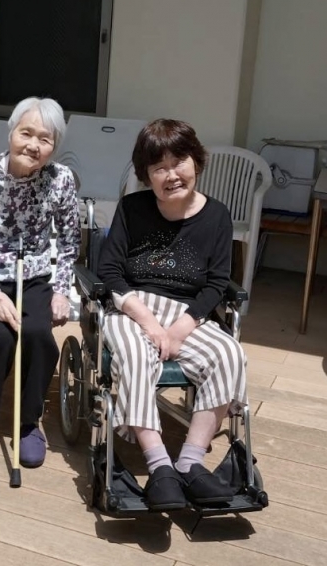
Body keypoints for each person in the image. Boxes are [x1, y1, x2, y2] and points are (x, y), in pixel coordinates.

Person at [97, 119, 246, 510]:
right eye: (158, 167)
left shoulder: (217, 215)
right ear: (146, 175)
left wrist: (181, 328)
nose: (171, 174)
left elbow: (217, 283)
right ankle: (159, 464)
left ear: (196, 160)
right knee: (133, 354)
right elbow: (109, 271)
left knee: (229, 353)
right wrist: (147, 321)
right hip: (132, 307)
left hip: (189, 313)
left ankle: (190, 462)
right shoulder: (132, 208)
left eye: (178, 161)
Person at [0, 96, 81, 475]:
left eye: (45, 139)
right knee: (1, 339)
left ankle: (28, 421)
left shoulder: (60, 180)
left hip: (33, 277)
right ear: (11, 133)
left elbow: (69, 242)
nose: (33, 145)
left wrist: (61, 289)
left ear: (54, 146)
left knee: (39, 336)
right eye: (26, 133)